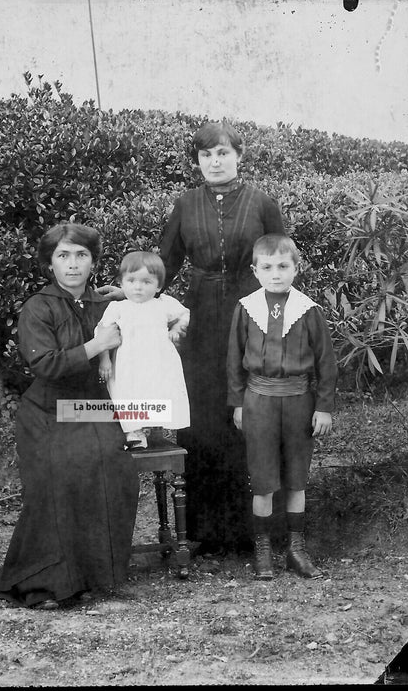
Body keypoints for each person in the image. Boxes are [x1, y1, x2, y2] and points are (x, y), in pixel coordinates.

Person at [99, 121, 285, 554]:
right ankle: (204, 530)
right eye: (205, 155)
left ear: (239, 155)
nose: (214, 162)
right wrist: (126, 292)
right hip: (199, 320)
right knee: (202, 415)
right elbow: (163, 264)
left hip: (250, 314)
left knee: (251, 410)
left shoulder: (262, 202)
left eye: (222, 153)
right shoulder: (185, 204)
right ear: (197, 161)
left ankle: (257, 532)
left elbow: (281, 262)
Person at [0, 222, 140, 610]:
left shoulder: (108, 303)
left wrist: (133, 297)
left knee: (114, 468)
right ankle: (47, 579)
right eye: (63, 256)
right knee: (65, 469)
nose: (72, 265)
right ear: (49, 264)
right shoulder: (40, 306)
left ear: (93, 261)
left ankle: (94, 575)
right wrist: (96, 345)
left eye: (81, 255)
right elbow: (46, 365)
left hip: (95, 406)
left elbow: (157, 314)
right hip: (48, 410)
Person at [227, 234, 338, 579]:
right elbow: (233, 361)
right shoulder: (246, 309)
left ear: (295, 268)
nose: (276, 274)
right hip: (258, 400)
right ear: (255, 271)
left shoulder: (308, 311)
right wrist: (238, 403)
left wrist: (324, 407)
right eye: (268, 267)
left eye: (283, 266)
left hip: (298, 402)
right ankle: (263, 552)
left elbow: (327, 364)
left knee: (296, 478)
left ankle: (296, 549)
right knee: (262, 478)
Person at [98, 251, 190, 449]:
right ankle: (135, 432)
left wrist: (176, 328)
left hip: (159, 360)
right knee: (129, 393)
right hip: (129, 363)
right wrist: (104, 360)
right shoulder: (118, 308)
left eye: (146, 282)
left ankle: (156, 427)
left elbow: (184, 314)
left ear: (158, 286)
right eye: (131, 281)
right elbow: (102, 333)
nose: (138, 287)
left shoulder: (163, 304)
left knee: (159, 389)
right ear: (122, 283)